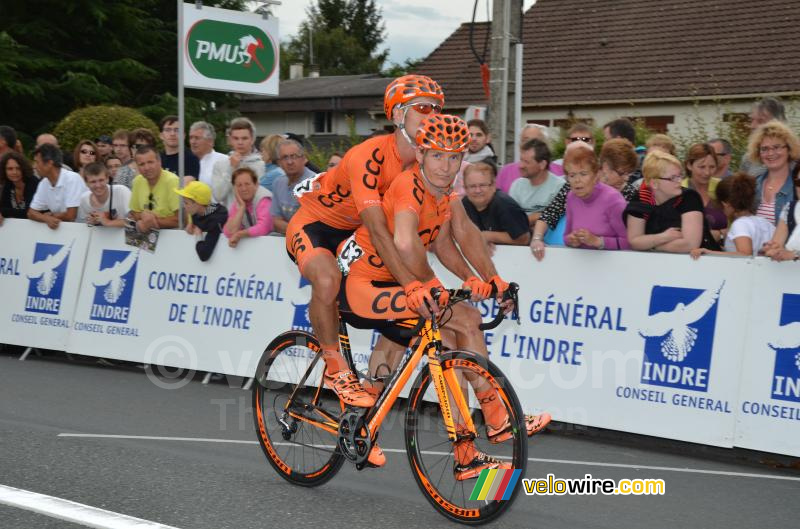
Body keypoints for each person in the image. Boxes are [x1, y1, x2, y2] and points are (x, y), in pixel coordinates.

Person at [339, 114, 549, 477]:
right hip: (366, 282)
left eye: (454, 157)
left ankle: (464, 451)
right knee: (463, 318)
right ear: (419, 154)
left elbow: (454, 236)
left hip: (402, 281)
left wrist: (488, 277)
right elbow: (405, 242)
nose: (445, 166)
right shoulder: (408, 187)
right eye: (437, 156)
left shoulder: (446, 192)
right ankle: (496, 416)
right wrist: (434, 284)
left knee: (452, 347)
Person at [285, 74, 447, 410]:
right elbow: (377, 229)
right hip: (316, 225)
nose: (433, 115)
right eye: (423, 108)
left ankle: (363, 418)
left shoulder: (424, 165)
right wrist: (412, 283)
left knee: (407, 316)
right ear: (398, 115)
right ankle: (334, 368)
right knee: (327, 279)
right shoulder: (369, 155)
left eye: (437, 109)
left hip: (354, 238)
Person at [532, 142, 629, 260]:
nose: (577, 180)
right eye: (572, 175)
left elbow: (629, 242)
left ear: (596, 175)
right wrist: (572, 240)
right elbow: (566, 237)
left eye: (583, 174)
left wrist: (598, 241)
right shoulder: (571, 197)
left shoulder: (613, 200)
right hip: (579, 267)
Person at [624, 150, 720, 253]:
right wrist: (663, 237)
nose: (679, 181)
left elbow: (690, 244)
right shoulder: (641, 200)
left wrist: (652, 246)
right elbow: (634, 241)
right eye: (673, 178)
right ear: (654, 183)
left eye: (679, 176)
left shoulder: (689, 198)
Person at [691, 173, 775, 259]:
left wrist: (709, 252)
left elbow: (745, 254)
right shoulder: (765, 222)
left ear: (726, 204)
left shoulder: (740, 224)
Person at [462, 162, 530, 249]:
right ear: (465, 189)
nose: (478, 190)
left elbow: (524, 238)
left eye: (482, 185)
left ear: (493, 186)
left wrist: (487, 236)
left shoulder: (505, 205)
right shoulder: (464, 204)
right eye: (472, 186)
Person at [750, 120, 799, 226]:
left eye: (776, 147)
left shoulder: (797, 186)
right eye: (765, 149)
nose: (770, 153)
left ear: (789, 149)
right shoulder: (752, 185)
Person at [28, 143, 87, 229]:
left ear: (49, 163)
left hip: (85, 231)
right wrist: (46, 218)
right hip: (67, 232)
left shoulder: (72, 179)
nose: (34, 167)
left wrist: (51, 216)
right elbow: (31, 213)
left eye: (37, 162)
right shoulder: (43, 183)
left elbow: (71, 215)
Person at [509, 138, 565, 226]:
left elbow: (553, 219)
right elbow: (511, 220)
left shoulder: (559, 187)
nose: (521, 165)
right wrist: (536, 216)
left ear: (542, 164)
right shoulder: (517, 185)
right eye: (521, 160)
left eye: (526, 162)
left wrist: (523, 221)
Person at [211, 117, 265, 207]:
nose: (240, 142)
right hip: (230, 218)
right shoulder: (220, 165)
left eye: (244, 138)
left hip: (255, 217)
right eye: (236, 138)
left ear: (252, 140)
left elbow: (261, 196)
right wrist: (231, 168)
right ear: (230, 140)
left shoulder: (261, 165)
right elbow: (218, 196)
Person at [127, 146, 179, 233]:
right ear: (137, 167)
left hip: (174, 236)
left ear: (159, 162)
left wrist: (151, 221)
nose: (147, 168)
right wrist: (144, 216)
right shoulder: (137, 181)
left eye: (150, 162)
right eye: (142, 164)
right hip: (147, 240)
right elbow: (134, 212)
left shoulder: (172, 181)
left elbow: (181, 220)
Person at [175, 181, 228, 261]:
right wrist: (191, 223)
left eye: (186, 203)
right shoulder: (199, 210)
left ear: (197, 203)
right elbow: (195, 215)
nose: (184, 206)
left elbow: (204, 255)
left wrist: (198, 235)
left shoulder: (215, 220)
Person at [271, 139, 314, 234]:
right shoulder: (278, 183)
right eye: (285, 157)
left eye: (294, 156)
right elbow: (275, 221)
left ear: (304, 159)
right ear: (279, 163)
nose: (289, 162)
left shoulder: (314, 183)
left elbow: (311, 227)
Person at [683, 143, 727, 235]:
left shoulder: (722, 187)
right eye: (702, 167)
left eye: (712, 167)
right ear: (689, 165)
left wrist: (720, 234)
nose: (707, 172)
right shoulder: (679, 190)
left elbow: (736, 222)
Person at [224, 167, 273, 246]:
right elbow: (228, 232)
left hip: (272, 245)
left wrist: (240, 234)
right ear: (234, 188)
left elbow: (264, 227)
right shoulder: (238, 203)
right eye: (239, 185)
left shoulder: (264, 198)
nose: (244, 189)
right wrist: (241, 208)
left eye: (247, 184)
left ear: (256, 184)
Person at [495, 124, 551, 192]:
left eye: (534, 141)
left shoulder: (559, 171)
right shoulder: (506, 171)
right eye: (525, 140)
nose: (529, 145)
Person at [741, 97, 786, 177]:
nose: (753, 126)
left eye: (761, 121)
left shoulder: (794, 157)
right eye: (752, 120)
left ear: (778, 123)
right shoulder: (748, 159)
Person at [77, 162, 131, 226]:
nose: (98, 185)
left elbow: (135, 221)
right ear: (86, 183)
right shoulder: (84, 199)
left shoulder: (122, 191)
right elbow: (83, 226)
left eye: (101, 180)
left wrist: (108, 222)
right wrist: (92, 222)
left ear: (107, 179)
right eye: (93, 182)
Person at [763, 170, 800, 261]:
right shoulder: (790, 208)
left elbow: (791, 255)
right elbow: (777, 244)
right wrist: (773, 249)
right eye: (799, 182)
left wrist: (795, 255)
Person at [188, 121, 228, 192]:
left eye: (197, 138)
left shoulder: (224, 161)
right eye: (191, 138)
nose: (193, 142)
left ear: (210, 141)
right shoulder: (185, 160)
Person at [0, 152, 38, 221]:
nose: (14, 172)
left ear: (23, 169)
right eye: (10, 169)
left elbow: (29, 213)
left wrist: (4, 212)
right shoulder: (8, 184)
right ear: (4, 170)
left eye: (18, 168)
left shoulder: (33, 182)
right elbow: (3, 206)